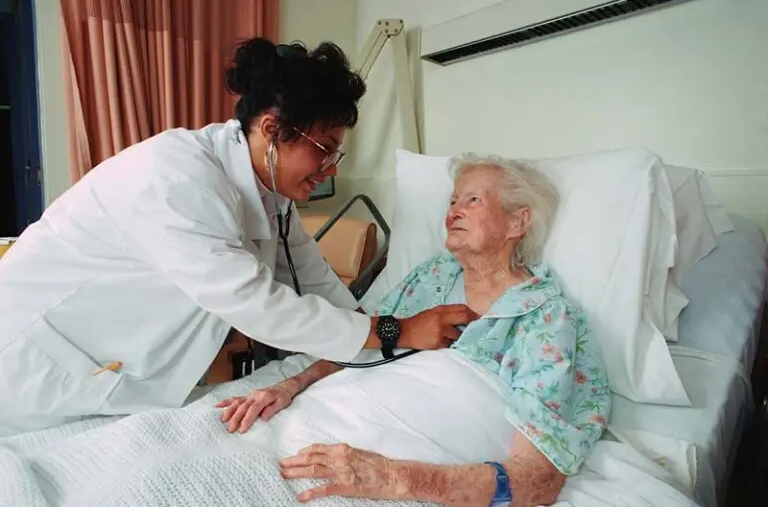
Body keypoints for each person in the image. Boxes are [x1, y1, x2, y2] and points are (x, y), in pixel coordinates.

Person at [0, 38, 477, 437]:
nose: (331, 168)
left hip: (109, 370)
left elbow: (315, 282)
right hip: (35, 362)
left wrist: (377, 334)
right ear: (273, 130)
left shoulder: (271, 196)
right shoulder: (174, 178)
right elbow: (259, 306)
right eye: (324, 150)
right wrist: (397, 331)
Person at [216, 154, 612, 506]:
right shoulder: (432, 276)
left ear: (518, 221)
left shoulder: (545, 317)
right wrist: (291, 385)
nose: (452, 212)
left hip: (400, 460)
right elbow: (366, 342)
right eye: (452, 201)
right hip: (330, 416)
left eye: (472, 200)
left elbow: (537, 481)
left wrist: (392, 477)